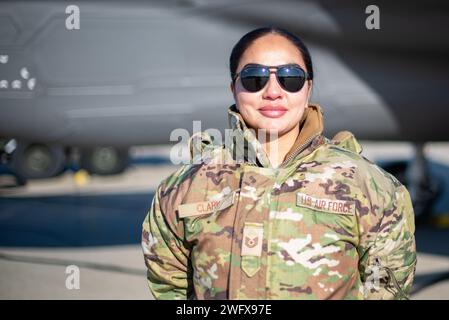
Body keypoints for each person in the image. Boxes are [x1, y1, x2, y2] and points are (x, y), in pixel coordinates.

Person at [141, 26, 416, 300]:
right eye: (254, 78)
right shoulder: (185, 188)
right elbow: (169, 288)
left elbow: (388, 288)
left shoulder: (366, 184)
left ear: (308, 88)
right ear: (233, 88)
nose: (273, 91)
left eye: (291, 78)